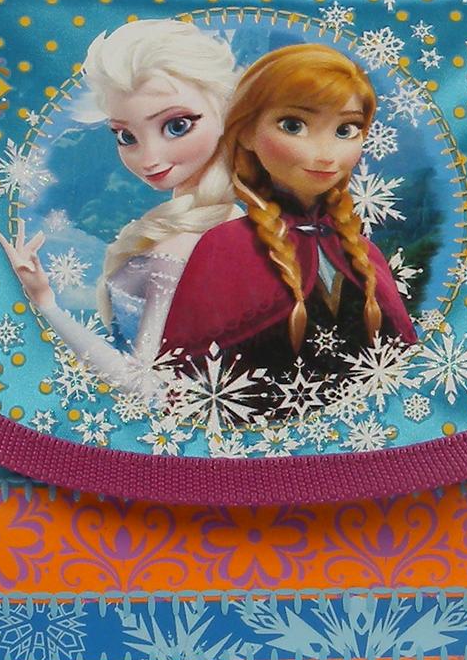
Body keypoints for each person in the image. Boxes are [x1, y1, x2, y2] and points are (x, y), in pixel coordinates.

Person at [0, 20, 240, 398]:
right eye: (126, 136)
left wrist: (47, 304)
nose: (149, 158)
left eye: (177, 126)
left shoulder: (179, 247)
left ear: (226, 111)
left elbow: (143, 385)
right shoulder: (237, 224)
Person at [158, 42, 417, 398]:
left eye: (346, 130)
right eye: (293, 125)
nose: (325, 154)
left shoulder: (364, 253)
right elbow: (184, 383)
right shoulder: (225, 247)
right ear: (246, 132)